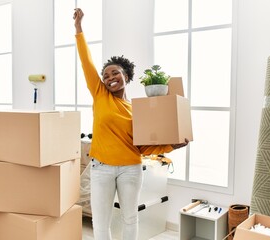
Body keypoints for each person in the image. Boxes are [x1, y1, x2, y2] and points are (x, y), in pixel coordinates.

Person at [73, 8, 189, 240]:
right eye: (105, 76)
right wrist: (79, 29)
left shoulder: (138, 110)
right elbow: (86, 62)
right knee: (100, 221)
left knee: (130, 218)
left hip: (131, 169)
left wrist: (170, 147)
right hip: (101, 169)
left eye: (114, 73)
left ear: (126, 76)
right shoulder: (99, 95)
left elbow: (144, 147)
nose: (109, 78)